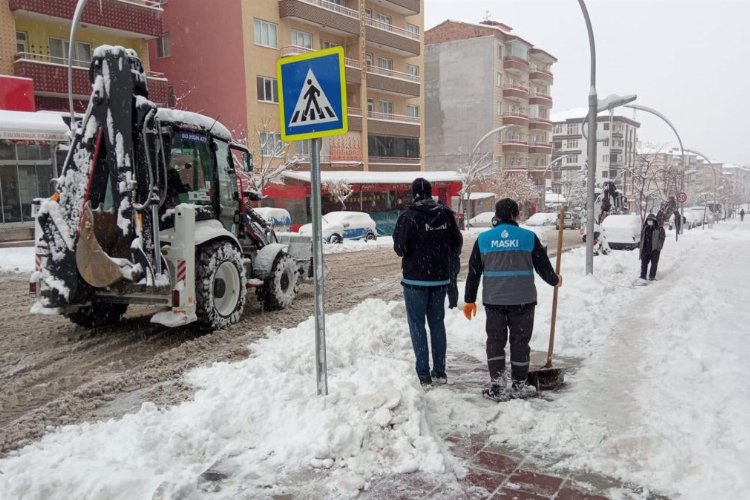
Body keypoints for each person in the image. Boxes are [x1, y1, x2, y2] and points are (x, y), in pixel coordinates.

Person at [463, 199, 561, 402]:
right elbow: (543, 267)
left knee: (495, 343)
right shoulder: (528, 237)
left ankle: (498, 387)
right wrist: (555, 280)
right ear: (516, 215)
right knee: (520, 343)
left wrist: (469, 299)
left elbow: (473, 273)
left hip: (494, 302)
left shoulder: (484, 239)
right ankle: (519, 385)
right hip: (523, 302)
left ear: (496, 216)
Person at [393, 178, 463, 389]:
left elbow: (399, 248)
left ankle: (423, 374)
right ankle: (440, 371)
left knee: (417, 326)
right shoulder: (446, 215)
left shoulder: (409, 217)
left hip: (415, 280)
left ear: (413, 193)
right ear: (430, 193)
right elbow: (456, 244)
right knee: (437, 324)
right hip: (440, 280)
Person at [639, 213, 666, 281]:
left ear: (654, 221)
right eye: (648, 220)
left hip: (655, 250)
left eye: (651, 220)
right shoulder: (645, 228)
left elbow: (662, 238)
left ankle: (652, 276)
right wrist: (641, 247)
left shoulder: (659, 229)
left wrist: (659, 247)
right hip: (645, 249)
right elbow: (642, 238)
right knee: (644, 264)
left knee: (654, 264)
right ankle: (642, 276)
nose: (649, 221)